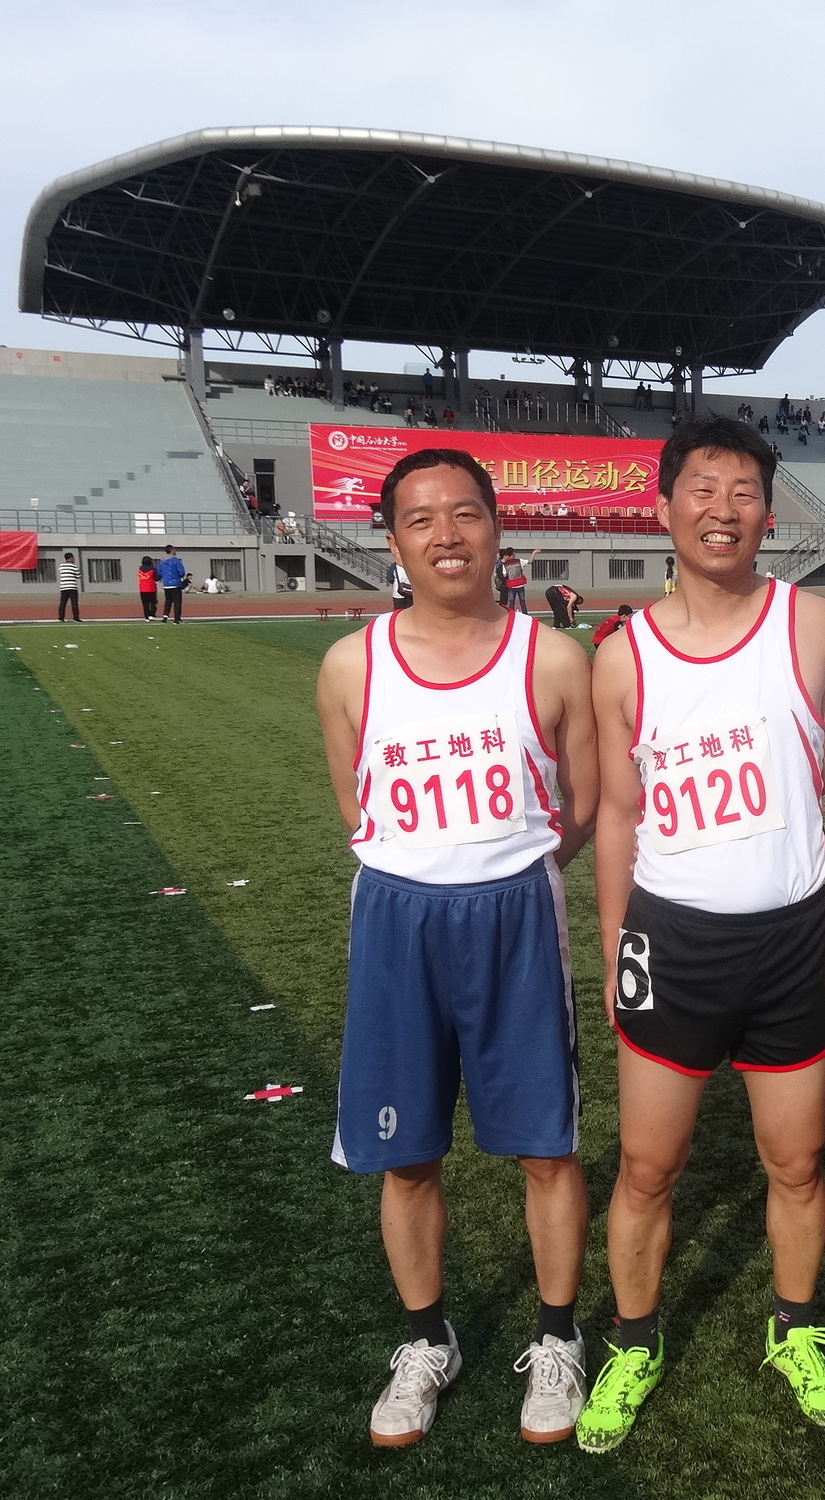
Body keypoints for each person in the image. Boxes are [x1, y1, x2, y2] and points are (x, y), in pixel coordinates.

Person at [578, 414, 825, 1452]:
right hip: (672, 944)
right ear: (664, 506)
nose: (723, 510)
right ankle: (633, 1342)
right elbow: (618, 816)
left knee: (797, 1162)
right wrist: (615, 944)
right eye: (702, 489)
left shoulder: (811, 625)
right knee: (646, 1167)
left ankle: (794, 1331)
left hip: (792, 940)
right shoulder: (623, 658)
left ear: (767, 510)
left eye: (744, 491)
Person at [314, 448, 599, 1449]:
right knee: (407, 1157)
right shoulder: (350, 665)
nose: (447, 534)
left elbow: (581, 806)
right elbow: (356, 806)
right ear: (392, 542)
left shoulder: (551, 660)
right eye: (422, 518)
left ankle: (557, 1338)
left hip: (516, 918)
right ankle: (426, 1340)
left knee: (546, 1148)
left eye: (466, 513)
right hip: (398, 921)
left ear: (495, 527)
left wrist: (501, 866)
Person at [155, 546, 187, 623]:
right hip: (175, 583)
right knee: (177, 602)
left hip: (166, 584)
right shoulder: (176, 561)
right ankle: (177, 619)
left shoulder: (162, 562)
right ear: (172, 550)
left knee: (168, 600)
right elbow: (182, 572)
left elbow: (159, 573)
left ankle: (165, 616)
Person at [57, 551, 83, 623]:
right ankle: (76, 618)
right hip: (72, 587)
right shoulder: (74, 566)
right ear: (71, 558)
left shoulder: (61, 566)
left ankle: (61, 617)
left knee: (62, 603)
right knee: (74, 603)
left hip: (63, 587)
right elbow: (78, 576)